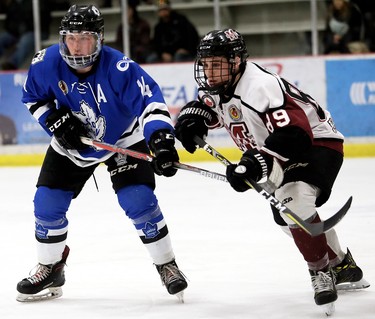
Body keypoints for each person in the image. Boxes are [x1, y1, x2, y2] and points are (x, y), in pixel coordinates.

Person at [174, 28, 369, 312]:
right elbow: (217, 112)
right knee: (287, 219)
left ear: (237, 61)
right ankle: (342, 266)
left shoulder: (259, 86)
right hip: (277, 150)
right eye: (206, 64)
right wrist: (194, 120)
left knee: (293, 201)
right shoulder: (220, 84)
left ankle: (320, 272)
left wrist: (256, 161)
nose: (210, 71)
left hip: (316, 143)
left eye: (217, 63)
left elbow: (295, 133)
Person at [16, 4, 187, 302]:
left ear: (99, 40)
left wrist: (160, 140)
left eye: (85, 38)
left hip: (122, 140)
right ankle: (51, 266)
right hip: (74, 145)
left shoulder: (119, 67)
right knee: (46, 204)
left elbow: (150, 103)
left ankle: (166, 265)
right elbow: (33, 97)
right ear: (62, 39)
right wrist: (54, 120)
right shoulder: (45, 63)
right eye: (72, 38)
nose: (78, 46)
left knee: (139, 201)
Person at [0, 0, 51, 70]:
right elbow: (9, 22)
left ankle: (11, 65)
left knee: (25, 40)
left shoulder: (38, 2)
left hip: (37, 32)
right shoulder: (15, 3)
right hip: (16, 32)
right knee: (2, 38)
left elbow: (42, 20)